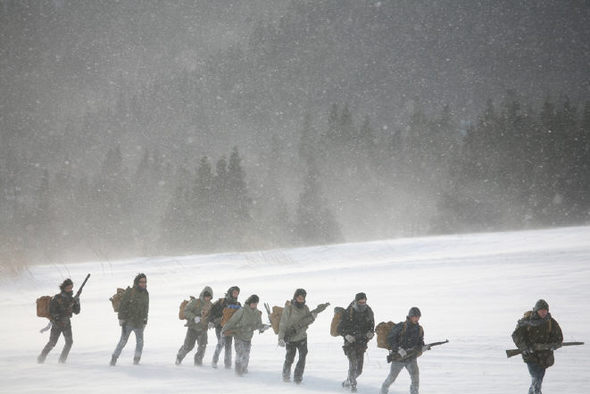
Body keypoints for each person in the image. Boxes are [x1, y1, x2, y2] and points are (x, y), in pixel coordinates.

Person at [511, 299, 563, 394]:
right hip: (530, 355)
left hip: (544, 357)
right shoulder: (526, 321)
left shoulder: (551, 322)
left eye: (545, 310)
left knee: (538, 378)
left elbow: (558, 337)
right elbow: (517, 335)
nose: (543, 312)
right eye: (541, 310)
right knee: (536, 378)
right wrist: (525, 347)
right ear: (536, 310)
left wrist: (554, 345)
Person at [221, 294, 270, 376]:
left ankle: (244, 369)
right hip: (239, 335)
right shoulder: (242, 311)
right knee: (239, 353)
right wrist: (224, 330)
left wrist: (263, 328)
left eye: (256, 303)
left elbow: (258, 325)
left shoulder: (257, 313)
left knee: (246, 354)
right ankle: (238, 372)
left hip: (248, 337)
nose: (254, 305)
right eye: (253, 303)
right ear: (249, 302)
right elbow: (232, 321)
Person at [380, 307, 425, 394]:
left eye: (418, 317)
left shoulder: (419, 329)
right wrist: (398, 349)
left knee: (415, 378)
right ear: (410, 317)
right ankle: (383, 391)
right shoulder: (401, 326)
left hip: (411, 358)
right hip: (398, 358)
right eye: (415, 316)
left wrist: (422, 347)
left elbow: (420, 341)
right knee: (391, 378)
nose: (417, 318)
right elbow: (390, 339)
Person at [338, 292, 375, 392]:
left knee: (359, 370)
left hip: (361, 344)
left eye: (364, 301)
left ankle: (347, 382)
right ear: (356, 301)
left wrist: (370, 334)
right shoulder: (349, 311)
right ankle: (353, 387)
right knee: (353, 364)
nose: (362, 303)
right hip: (350, 343)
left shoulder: (369, 311)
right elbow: (340, 328)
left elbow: (372, 327)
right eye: (360, 302)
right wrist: (347, 335)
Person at [37, 278, 81, 364]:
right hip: (57, 324)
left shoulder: (71, 298)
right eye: (68, 287)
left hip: (67, 324)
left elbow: (77, 311)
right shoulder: (57, 298)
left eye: (71, 287)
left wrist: (77, 302)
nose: (70, 289)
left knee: (69, 342)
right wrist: (59, 318)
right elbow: (52, 312)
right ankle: (41, 358)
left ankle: (62, 361)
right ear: (64, 288)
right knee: (52, 343)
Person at [110, 273, 149, 366]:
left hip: (139, 323)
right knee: (123, 342)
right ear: (137, 282)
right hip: (128, 322)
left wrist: (145, 320)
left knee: (140, 343)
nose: (143, 284)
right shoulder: (130, 292)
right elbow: (123, 306)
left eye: (145, 282)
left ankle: (136, 360)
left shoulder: (146, 293)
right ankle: (114, 358)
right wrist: (121, 319)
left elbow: (146, 308)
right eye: (141, 282)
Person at [278, 288, 314, 383]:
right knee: (289, 358)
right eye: (299, 298)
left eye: (303, 298)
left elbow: (307, 320)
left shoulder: (305, 308)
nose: (301, 300)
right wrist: (280, 338)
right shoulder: (289, 308)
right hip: (291, 338)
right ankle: (286, 377)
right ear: (295, 297)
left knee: (302, 358)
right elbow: (283, 323)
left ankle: (298, 378)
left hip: (302, 338)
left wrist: (313, 317)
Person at [176, 286, 213, 366]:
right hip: (192, 328)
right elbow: (186, 311)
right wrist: (193, 317)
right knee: (188, 347)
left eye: (209, 296)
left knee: (202, 348)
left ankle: (198, 363)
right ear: (203, 294)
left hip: (203, 329)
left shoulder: (211, 305)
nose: (207, 298)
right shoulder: (195, 302)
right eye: (206, 295)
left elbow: (212, 316)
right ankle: (179, 358)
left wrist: (211, 322)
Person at [209, 286, 241, 368]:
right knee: (221, 343)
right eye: (234, 292)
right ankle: (214, 361)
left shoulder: (238, 304)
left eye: (237, 293)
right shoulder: (221, 302)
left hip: (230, 328)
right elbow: (211, 312)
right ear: (230, 292)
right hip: (220, 327)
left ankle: (228, 365)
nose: (235, 294)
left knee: (228, 345)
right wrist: (212, 321)